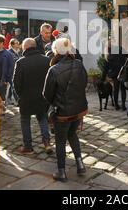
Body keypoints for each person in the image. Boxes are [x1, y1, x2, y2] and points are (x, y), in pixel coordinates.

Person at [43, 38, 88, 182]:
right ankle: (80, 165)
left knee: (60, 141)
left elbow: (46, 94)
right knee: (73, 135)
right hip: (79, 109)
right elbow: (84, 84)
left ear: (55, 51)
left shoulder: (54, 69)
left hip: (62, 112)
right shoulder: (79, 64)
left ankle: (61, 172)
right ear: (69, 50)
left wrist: (55, 104)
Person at [13, 38, 53, 155]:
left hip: (26, 98)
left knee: (25, 120)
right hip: (42, 96)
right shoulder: (46, 60)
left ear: (25, 48)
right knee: (43, 118)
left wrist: (21, 96)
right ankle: (47, 143)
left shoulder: (20, 62)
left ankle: (28, 146)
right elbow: (50, 80)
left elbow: (16, 83)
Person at [102, 39, 128, 111]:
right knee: (123, 89)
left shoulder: (108, 54)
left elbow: (105, 68)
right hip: (122, 72)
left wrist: (102, 79)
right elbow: (127, 55)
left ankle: (116, 105)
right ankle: (123, 106)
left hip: (114, 74)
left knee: (116, 89)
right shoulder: (120, 48)